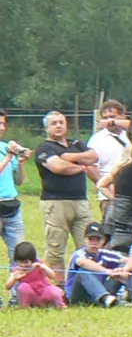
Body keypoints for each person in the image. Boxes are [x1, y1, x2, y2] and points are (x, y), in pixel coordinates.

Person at [34, 111, 99, 282]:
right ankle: (60, 287)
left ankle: (86, 285)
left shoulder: (76, 144)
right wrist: (82, 165)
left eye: (61, 122)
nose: (58, 126)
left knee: (88, 245)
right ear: (47, 128)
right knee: (56, 248)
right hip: (55, 202)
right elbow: (58, 167)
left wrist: (70, 157)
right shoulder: (44, 148)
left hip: (81, 201)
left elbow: (93, 156)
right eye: (53, 123)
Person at [65, 222, 132, 307]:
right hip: (78, 296)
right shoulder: (79, 253)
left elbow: (130, 261)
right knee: (83, 272)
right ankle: (106, 298)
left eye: (98, 239)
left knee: (123, 267)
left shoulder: (105, 254)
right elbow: (82, 262)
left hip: (100, 293)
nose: (94, 243)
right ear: (85, 240)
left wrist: (123, 270)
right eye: (91, 239)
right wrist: (107, 271)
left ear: (103, 241)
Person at [86, 99, 131, 217]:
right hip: (108, 195)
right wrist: (104, 184)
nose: (109, 121)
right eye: (105, 118)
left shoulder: (131, 135)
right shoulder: (96, 140)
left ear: (123, 116)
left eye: (112, 117)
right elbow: (90, 166)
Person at [0, 109, 31, 267]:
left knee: (19, 253)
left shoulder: (4, 147)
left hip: (11, 205)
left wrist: (20, 163)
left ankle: (17, 292)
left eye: (3, 123)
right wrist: (9, 156)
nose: (2, 127)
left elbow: (18, 181)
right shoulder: (7, 152)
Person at [6, 242, 66, 308]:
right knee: (22, 287)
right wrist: (14, 278)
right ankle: (24, 307)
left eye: (26, 262)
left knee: (55, 291)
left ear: (32, 260)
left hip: (44, 292)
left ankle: (60, 306)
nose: (23, 265)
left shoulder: (39, 264)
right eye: (20, 262)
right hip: (32, 295)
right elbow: (7, 287)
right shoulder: (17, 269)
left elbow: (53, 276)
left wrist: (44, 268)